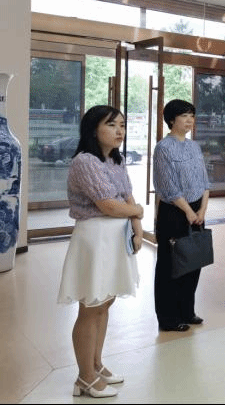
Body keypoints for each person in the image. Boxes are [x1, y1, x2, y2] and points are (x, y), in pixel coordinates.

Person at [57, 105, 144, 398]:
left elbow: (127, 196)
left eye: (122, 125)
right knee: (91, 306)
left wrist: (137, 226)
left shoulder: (116, 160)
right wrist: (138, 211)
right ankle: (85, 377)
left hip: (116, 237)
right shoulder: (85, 161)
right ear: (93, 129)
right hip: (95, 239)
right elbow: (108, 205)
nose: (119, 131)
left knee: (105, 303)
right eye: (112, 125)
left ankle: (95, 365)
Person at [153, 99, 210, 332]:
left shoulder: (194, 146)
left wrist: (202, 210)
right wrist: (188, 211)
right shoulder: (163, 148)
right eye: (184, 116)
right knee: (170, 265)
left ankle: (187, 311)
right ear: (171, 120)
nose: (189, 120)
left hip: (197, 210)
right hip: (175, 211)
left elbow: (205, 181)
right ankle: (168, 318)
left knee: (193, 262)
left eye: (192, 116)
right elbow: (168, 187)